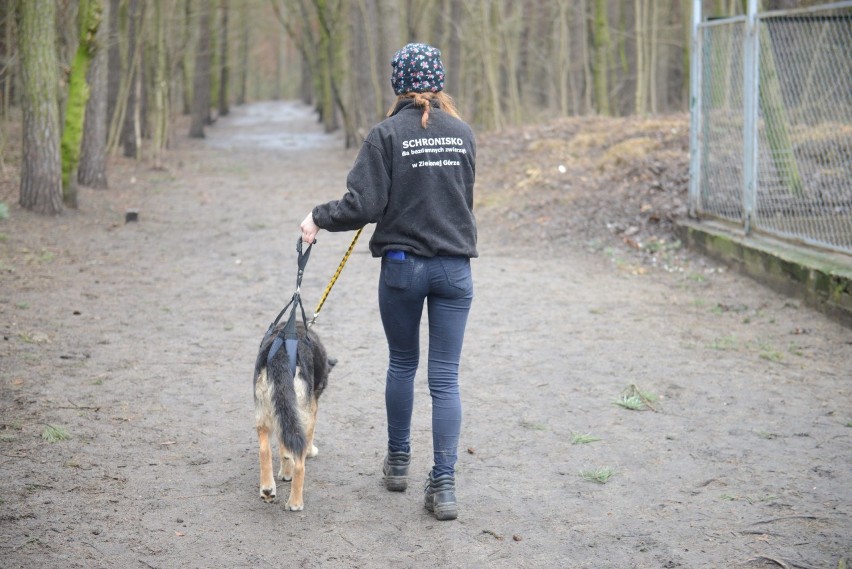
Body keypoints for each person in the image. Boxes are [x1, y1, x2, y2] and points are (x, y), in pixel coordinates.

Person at [300, 43, 476, 521]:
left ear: (398, 83)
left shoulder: (385, 135)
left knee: (402, 363)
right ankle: (444, 485)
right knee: (445, 379)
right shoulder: (462, 134)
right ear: (438, 82)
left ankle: (398, 462)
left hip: (402, 268)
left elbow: (361, 206)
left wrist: (317, 217)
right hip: (455, 269)